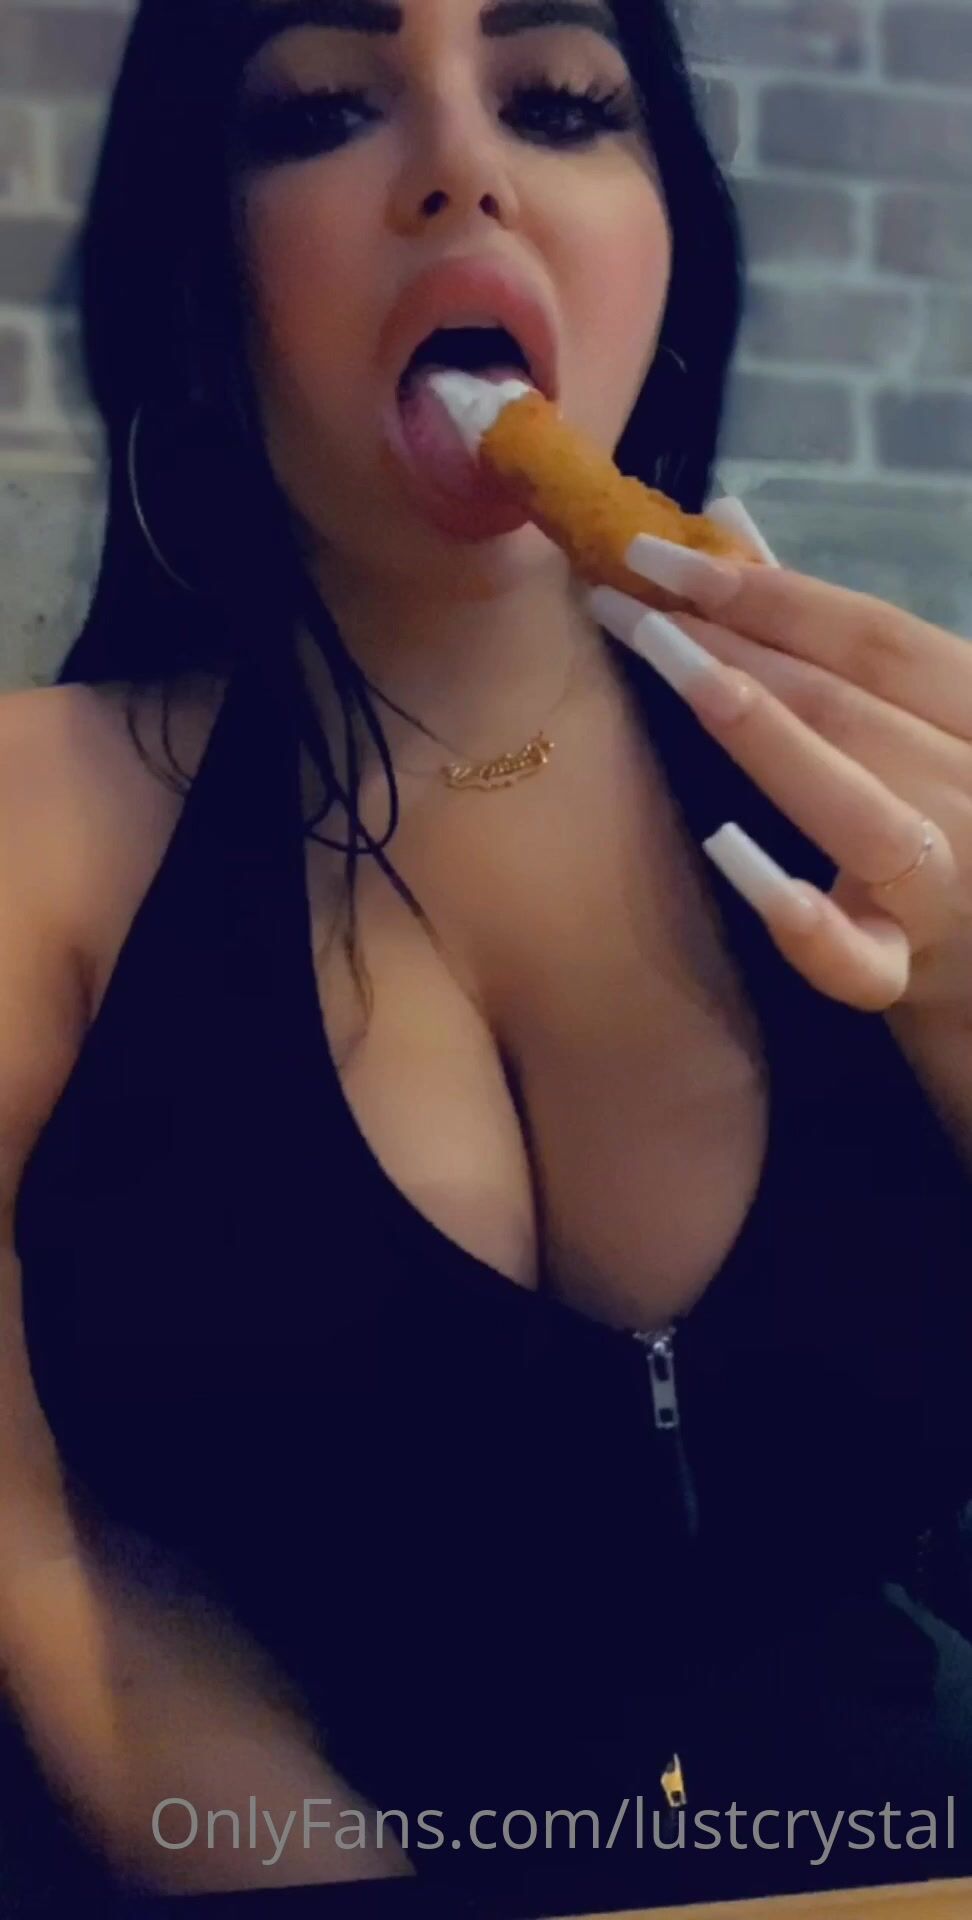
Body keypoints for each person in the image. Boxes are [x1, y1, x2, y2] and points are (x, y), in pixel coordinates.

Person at [1, 0, 972, 1909]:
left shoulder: (891, 805)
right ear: (199, 272)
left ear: (667, 259)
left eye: (563, 102)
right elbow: (48, 1559)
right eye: (323, 108)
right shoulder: (43, 821)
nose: (464, 166)